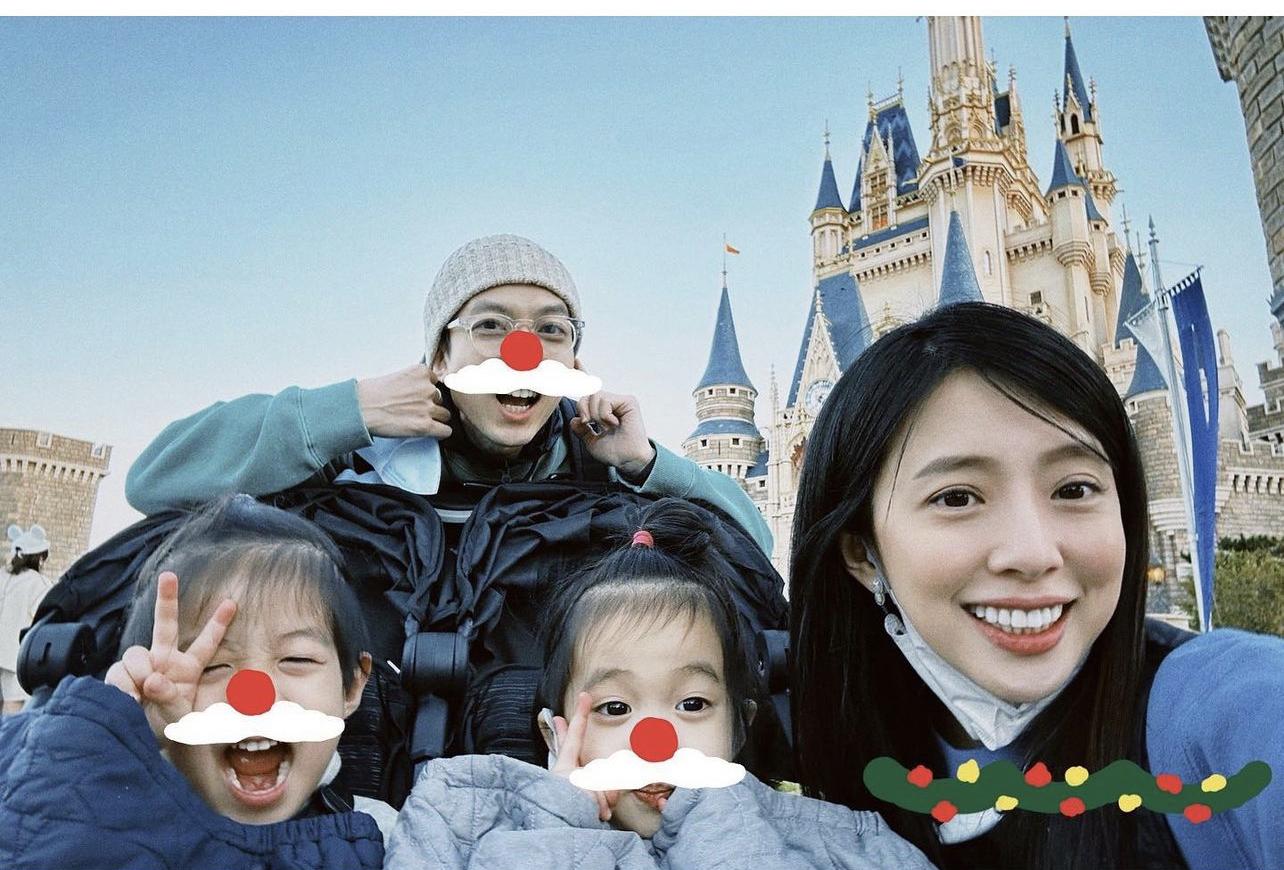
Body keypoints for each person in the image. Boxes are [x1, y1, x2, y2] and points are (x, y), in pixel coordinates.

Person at [788, 301, 1284, 870]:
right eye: (957, 498)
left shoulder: (1219, 709)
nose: (1032, 553)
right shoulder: (834, 743)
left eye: (1074, 489)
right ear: (863, 553)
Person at [123, 233, 771, 556]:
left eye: (550, 330)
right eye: (490, 326)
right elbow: (156, 480)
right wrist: (346, 411)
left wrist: (647, 465)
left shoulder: (602, 470)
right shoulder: (360, 456)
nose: (522, 352)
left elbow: (756, 548)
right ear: (438, 356)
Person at [385, 499, 932, 869]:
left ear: (739, 724)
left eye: (692, 703)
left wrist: (719, 827)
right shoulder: (467, 824)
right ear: (555, 735)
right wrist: (563, 823)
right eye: (614, 708)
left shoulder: (842, 843)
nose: (656, 742)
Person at [0, 495, 395, 868]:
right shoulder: (101, 806)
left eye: (297, 659)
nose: (255, 696)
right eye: (210, 667)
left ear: (351, 687)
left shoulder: (391, 838)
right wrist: (111, 736)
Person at [1, 524, 54, 715]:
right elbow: (45, 618)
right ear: (39, 557)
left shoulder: (2, 575)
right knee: (12, 709)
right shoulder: (39, 583)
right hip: (15, 657)